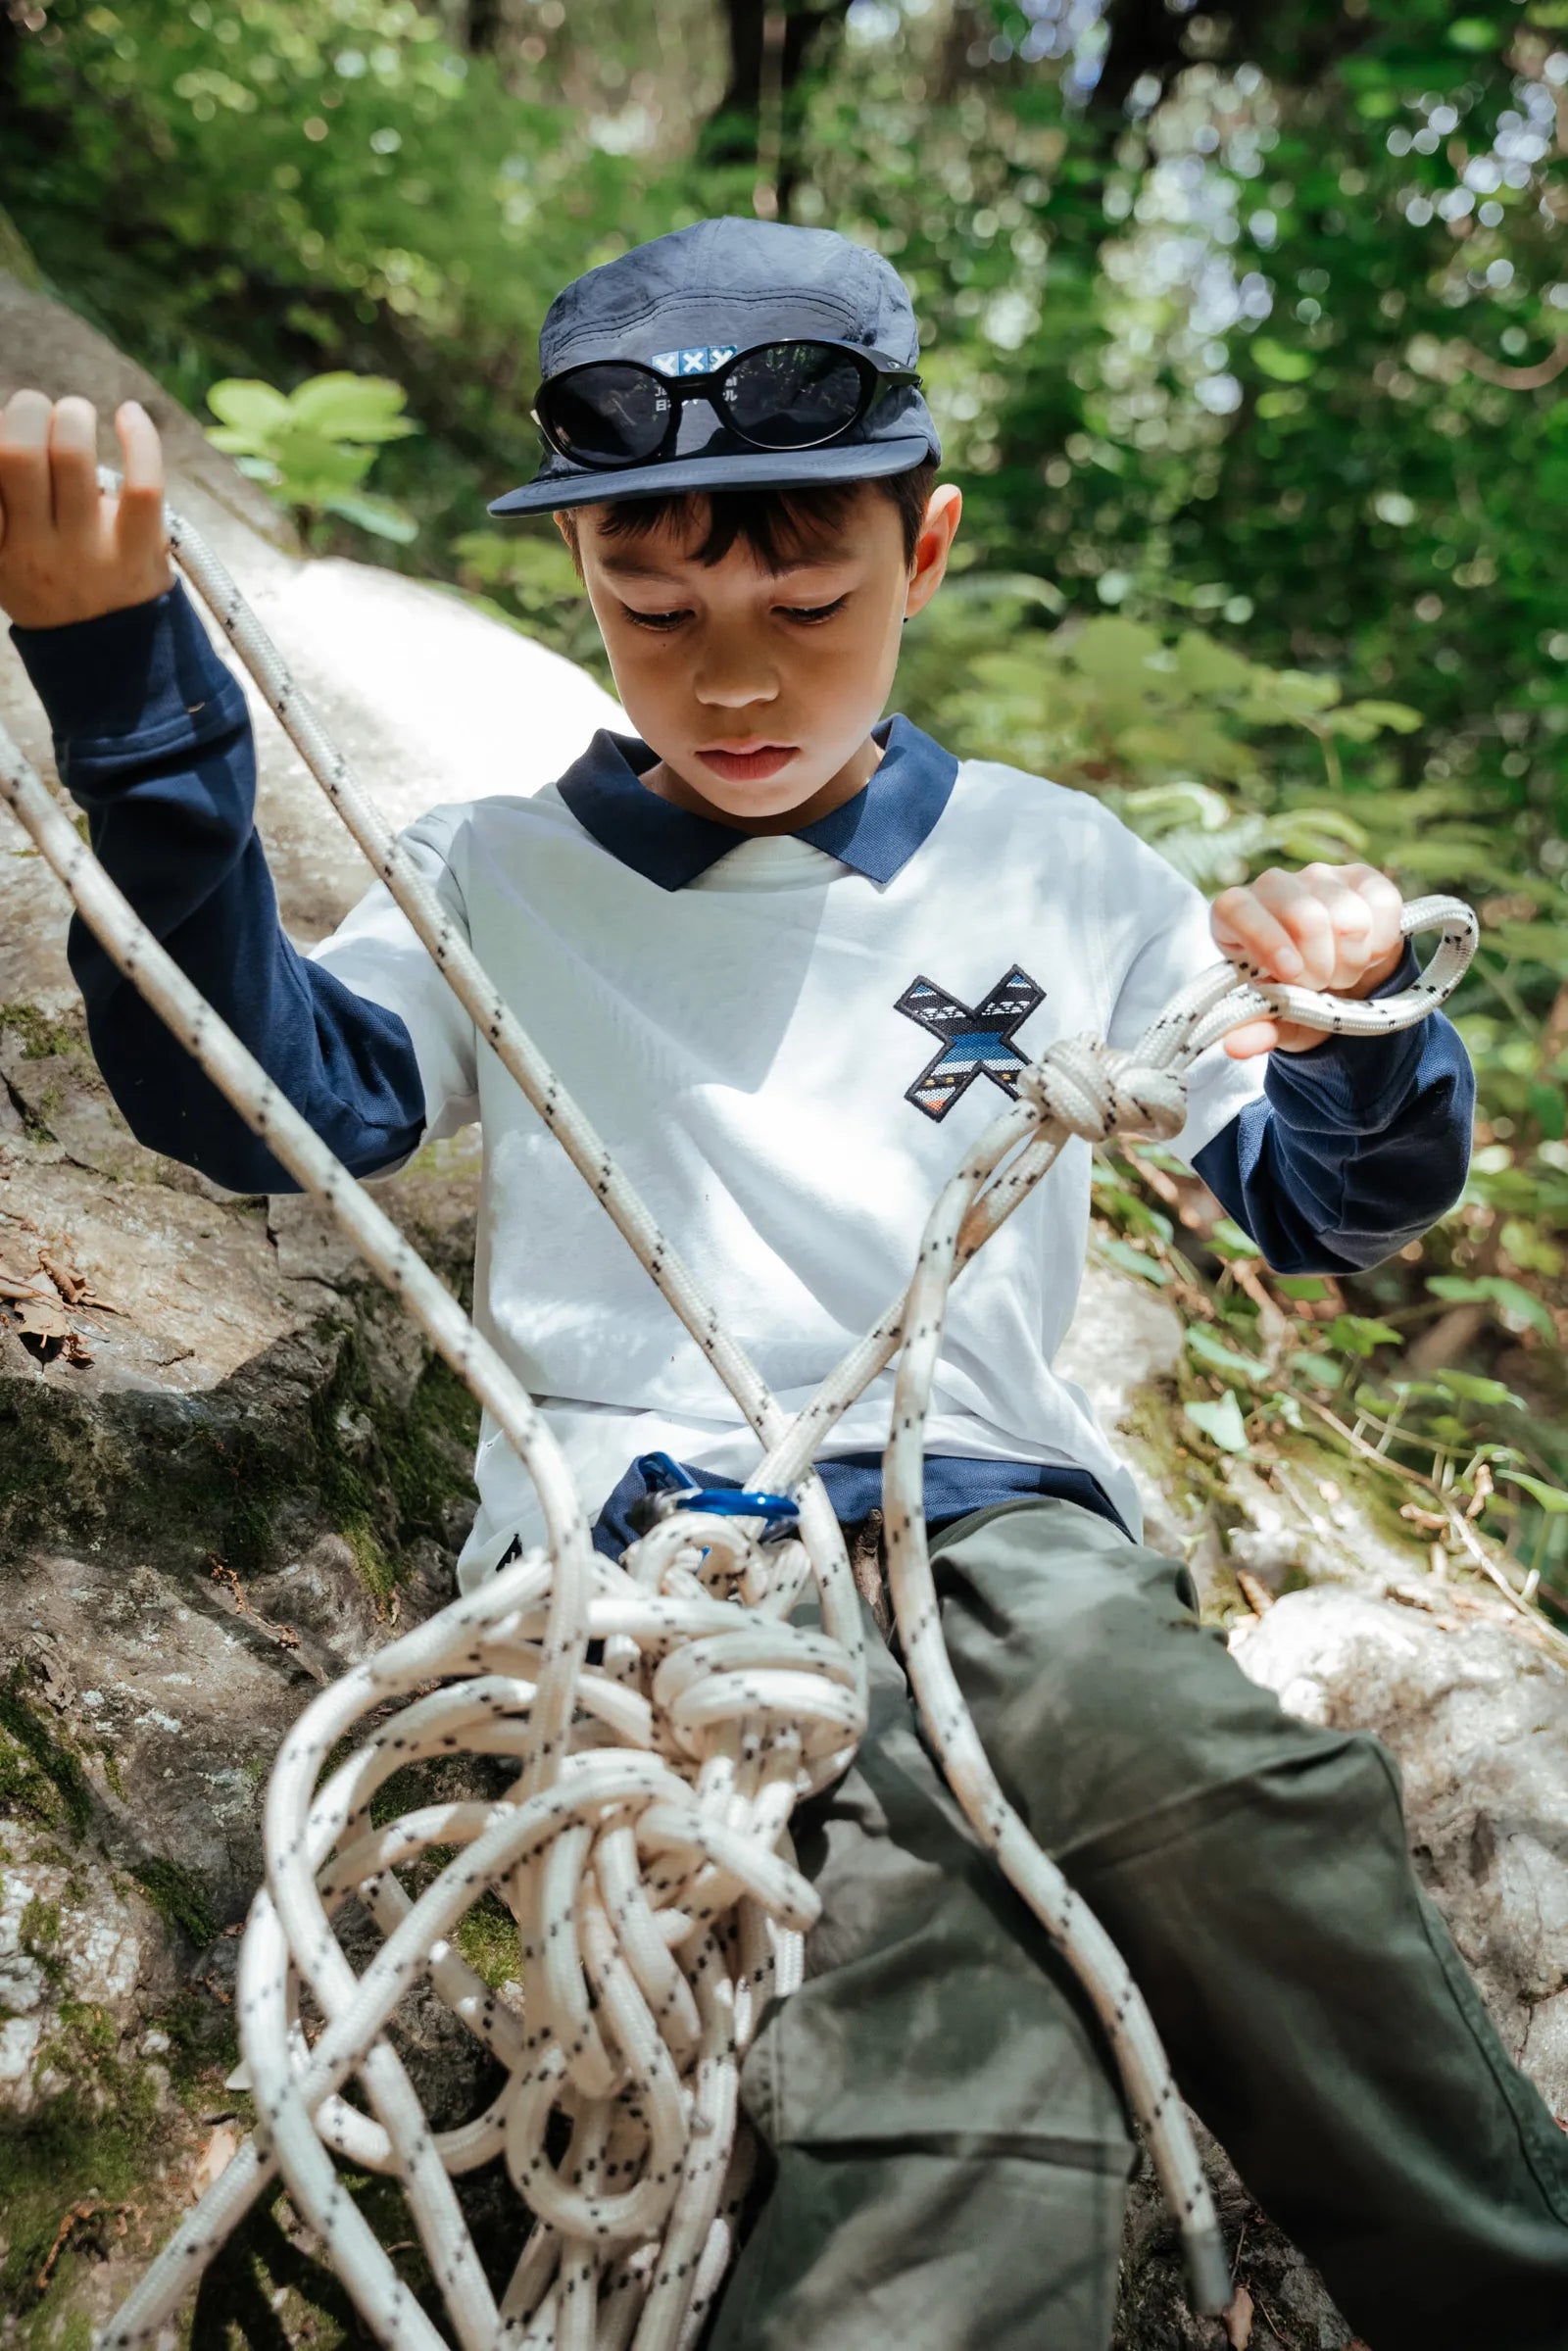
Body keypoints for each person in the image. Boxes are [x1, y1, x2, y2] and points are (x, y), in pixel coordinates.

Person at [1, 216, 1563, 2351]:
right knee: (966, 2069)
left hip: (991, 1519)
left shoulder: (1057, 869)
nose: (731, 674)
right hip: (651, 1576)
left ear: (921, 556)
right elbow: (268, 1100)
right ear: (584, 588)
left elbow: (1313, 1207)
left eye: (806, 601)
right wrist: (127, 687)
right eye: (652, 606)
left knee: (1220, 1790)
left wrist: (1358, 1011)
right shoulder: (501, 876)